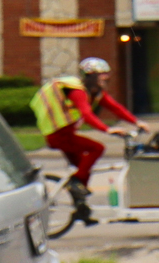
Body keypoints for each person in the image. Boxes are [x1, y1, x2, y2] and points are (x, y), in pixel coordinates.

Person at [30, 56, 148, 225]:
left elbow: (116, 108)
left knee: (83, 170)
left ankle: (81, 210)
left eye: (106, 74)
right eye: (101, 74)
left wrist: (137, 122)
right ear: (90, 76)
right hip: (58, 136)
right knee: (97, 149)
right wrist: (107, 129)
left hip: (66, 134)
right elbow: (86, 114)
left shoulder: (96, 92)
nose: (105, 78)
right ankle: (76, 184)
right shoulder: (78, 92)